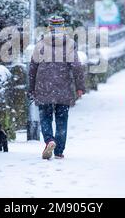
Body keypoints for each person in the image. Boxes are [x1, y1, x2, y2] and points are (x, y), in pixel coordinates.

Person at [28, 15, 85, 160]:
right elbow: (77, 67)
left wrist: (31, 88)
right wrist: (80, 87)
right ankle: (59, 151)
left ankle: (49, 140)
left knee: (45, 118)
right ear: (63, 27)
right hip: (63, 88)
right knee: (62, 120)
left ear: (49, 27)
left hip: (43, 86)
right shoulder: (70, 44)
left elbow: (32, 68)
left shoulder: (40, 44)